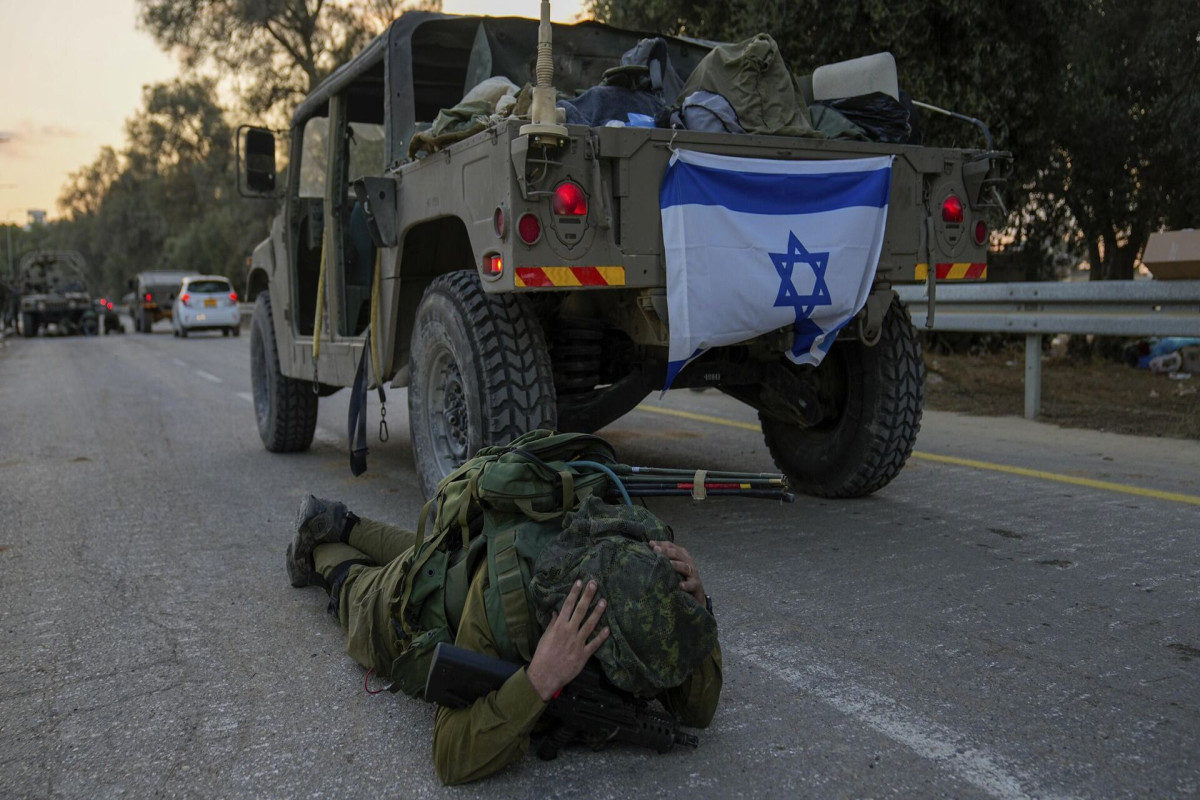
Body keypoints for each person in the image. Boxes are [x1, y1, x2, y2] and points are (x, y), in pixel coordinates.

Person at [286, 494, 723, 785]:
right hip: (423, 603)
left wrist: (697, 609)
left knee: (429, 553)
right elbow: (449, 756)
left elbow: (697, 709)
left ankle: (343, 521)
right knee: (360, 593)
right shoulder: (506, 603)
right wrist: (537, 680)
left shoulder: (629, 565)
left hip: (465, 554)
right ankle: (322, 541)